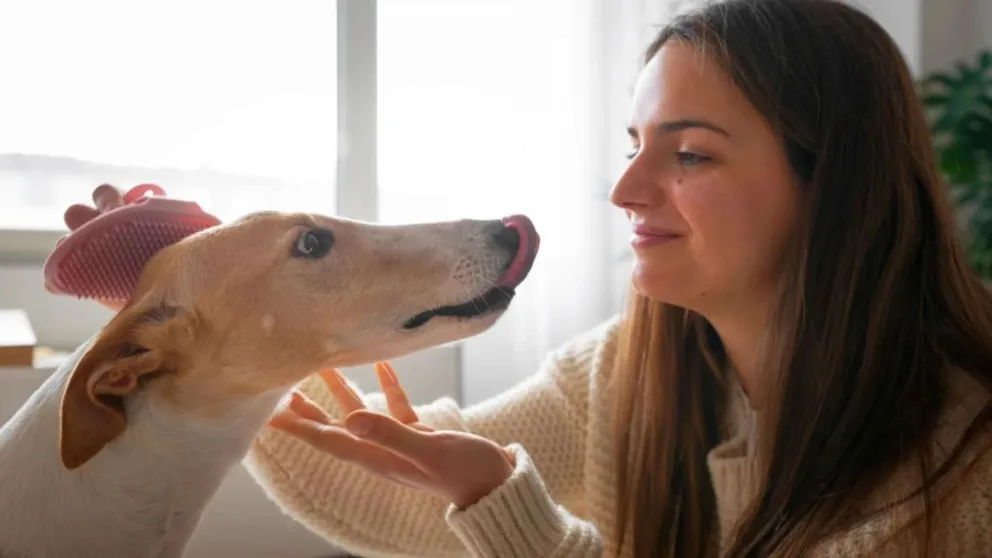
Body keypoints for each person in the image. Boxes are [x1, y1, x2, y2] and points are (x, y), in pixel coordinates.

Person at [66, 0, 992, 556]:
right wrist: (193, 305)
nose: (626, 188)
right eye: (632, 146)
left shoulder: (964, 469)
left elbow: (476, 489)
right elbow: (402, 479)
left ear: (833, 182)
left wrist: (506, 514)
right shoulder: (631, 369)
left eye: (691, 156)